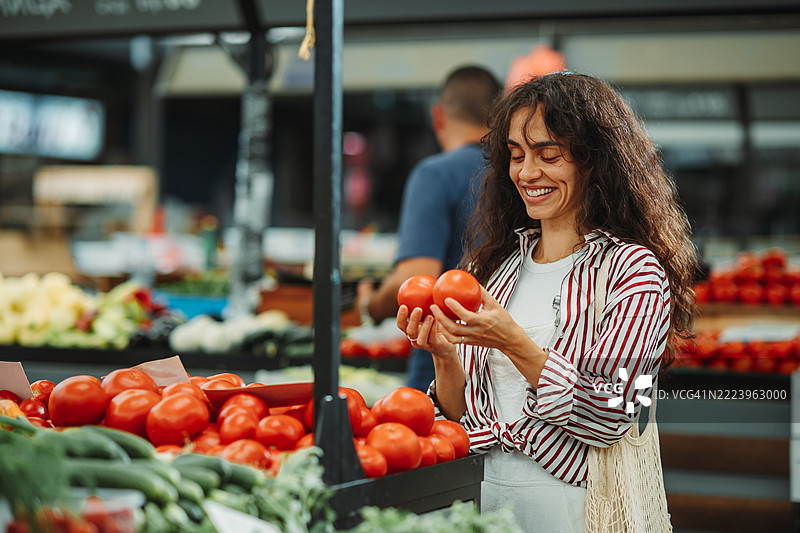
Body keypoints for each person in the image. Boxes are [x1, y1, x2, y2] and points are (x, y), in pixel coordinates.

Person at [397, 72, 697, 532]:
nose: (527, 172)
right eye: (516, 155)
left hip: (578, 507)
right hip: (484, 500)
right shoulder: (493, 266)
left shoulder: (632, 271)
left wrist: (516, 344)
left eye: (548, 155)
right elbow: (463, 417)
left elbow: (611, 415)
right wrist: (444, 357)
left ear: (594, 161)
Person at [357, 65, 502, 391]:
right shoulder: (520, 173)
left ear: (438, 117)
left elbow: (415, 281)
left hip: (445, 367)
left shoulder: (434, 175)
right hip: (513, 363)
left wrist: (371, 306)